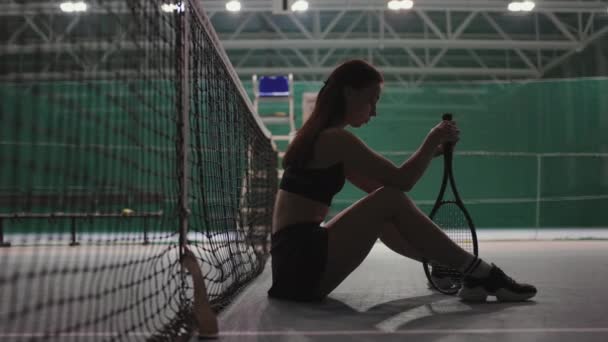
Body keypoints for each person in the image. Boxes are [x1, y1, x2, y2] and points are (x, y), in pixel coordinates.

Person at [267, 59, 537, 303]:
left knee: (385, 204)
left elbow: (384, 188)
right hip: (300, 264)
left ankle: (448, 268)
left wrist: (432, 153)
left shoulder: (321, 136)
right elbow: (401, 182)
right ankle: (483, 273)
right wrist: (432, 139)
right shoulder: (334, 139)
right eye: (371, 100)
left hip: (292, 263)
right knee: (389, 200)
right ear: (349, 92)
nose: (373, 112)